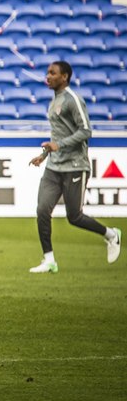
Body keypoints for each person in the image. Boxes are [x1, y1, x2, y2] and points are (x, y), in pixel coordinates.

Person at [28, 61, 120, 273]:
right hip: (53, 166)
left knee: (74, 217)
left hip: (75, 166)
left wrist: (58, 145)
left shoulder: (73, 99)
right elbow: (56, 136)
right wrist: (44, 155)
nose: (48, 76)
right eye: (47, 72)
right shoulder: (54, 102)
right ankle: (49, 259)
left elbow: (86, 131)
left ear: (65, 77)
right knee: (42, 210)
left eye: (53, 73)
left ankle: (111, 234)